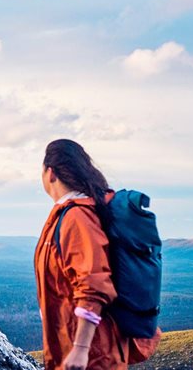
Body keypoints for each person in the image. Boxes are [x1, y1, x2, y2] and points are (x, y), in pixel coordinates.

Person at [35, 139, 160, 370]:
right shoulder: (73, 213)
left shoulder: (76, 217)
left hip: (92, 354)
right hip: (80, 349)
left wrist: (80, 350)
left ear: (50, 173)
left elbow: (93, 284)